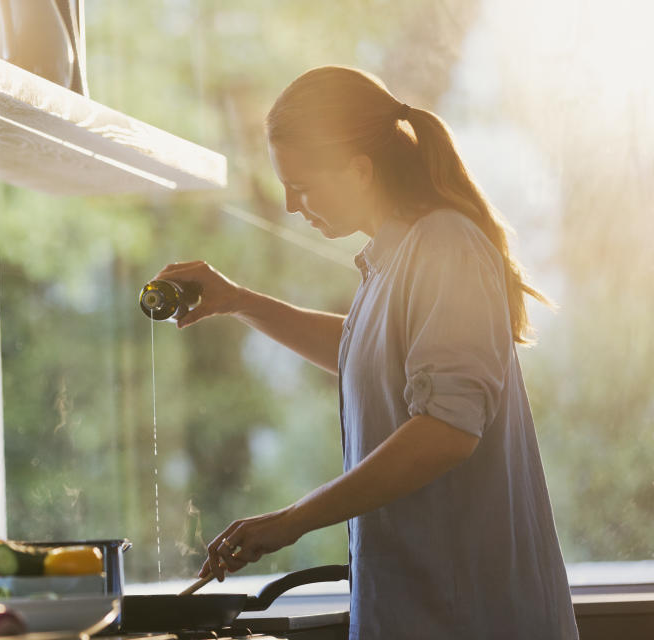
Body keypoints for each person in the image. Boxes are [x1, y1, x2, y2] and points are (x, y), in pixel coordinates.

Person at [154, 66, 578, 639]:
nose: (288, 204)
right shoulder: (396, 255)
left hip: (471, 618)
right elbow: (369, 357)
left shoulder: (445, 247)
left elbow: (446, 430)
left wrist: (291, 522)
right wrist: (240, 301)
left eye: (301, 186)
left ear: (359, 170)